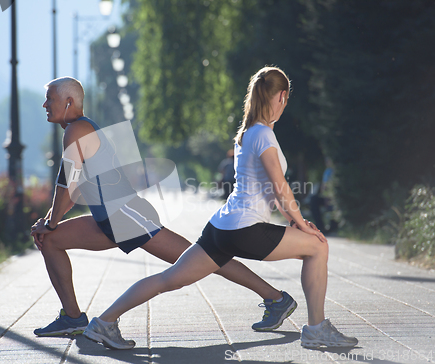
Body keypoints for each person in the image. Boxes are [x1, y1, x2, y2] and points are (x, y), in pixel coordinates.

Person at [83, 67, 358, 350]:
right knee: (317, 247)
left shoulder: (247, 133)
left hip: (220, 229)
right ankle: (316, 329)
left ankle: (103, 322)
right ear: (282, 96)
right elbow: (279, 187)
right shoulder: (264, 135)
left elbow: (269, 190)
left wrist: (292, 219)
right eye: (285, 99)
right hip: (245, 229)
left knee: (170, 279)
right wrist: (302, 223)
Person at [30, 76, 297, 337]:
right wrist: (49, 223)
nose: (45, 105)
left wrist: (50, 221)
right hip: (108, 220)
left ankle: (275, 298)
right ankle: (73, 318)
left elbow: (66, 186)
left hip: (127, 216)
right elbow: (72, 191)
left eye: (49, 99)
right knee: (51, 239)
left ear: (68, 101)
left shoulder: (77, 129)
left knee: (206, 259)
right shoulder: (77, 130)